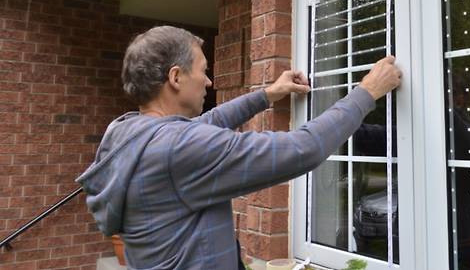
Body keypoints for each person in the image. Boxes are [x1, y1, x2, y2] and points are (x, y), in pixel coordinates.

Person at [76, 26, 401, 270]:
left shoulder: (128, 133)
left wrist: (268, 95)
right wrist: (367, 92)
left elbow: (210, 121)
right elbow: (304, 148)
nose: (209, 82)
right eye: (203, 71)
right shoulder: (177, 148)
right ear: (176, 77)